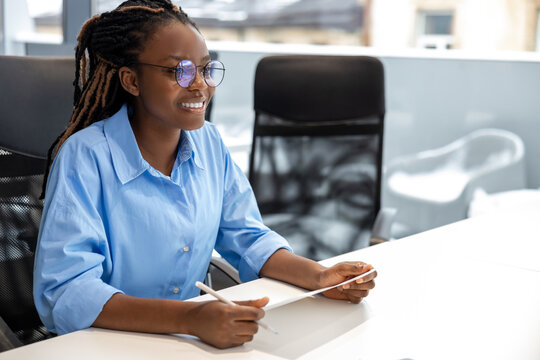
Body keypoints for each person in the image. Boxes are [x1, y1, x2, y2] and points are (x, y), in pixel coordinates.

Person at [33, 0, 377, 349]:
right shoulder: (85, 156)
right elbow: (68, 290)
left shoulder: (208, 142)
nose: (199, 85)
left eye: (205, 69)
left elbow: (248, 237)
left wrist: (320, 277)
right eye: (178, 71)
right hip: (103, 346)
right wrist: (189, 318)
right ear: (132, 80)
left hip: (187, 343)